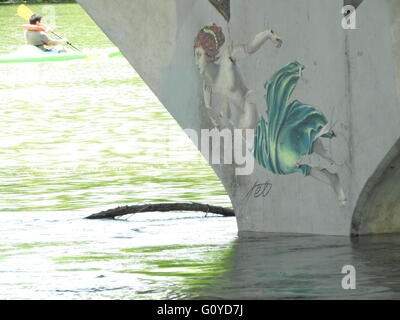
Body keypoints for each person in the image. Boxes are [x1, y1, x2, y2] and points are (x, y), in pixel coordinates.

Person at [194, 24, 347, 205]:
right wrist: (218, 118)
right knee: (285, 164)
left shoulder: (228, 59)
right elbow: (221, 119)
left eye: (199, 55)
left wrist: (268, 35)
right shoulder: (209, 88)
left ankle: (331, 167)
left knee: (290, 154)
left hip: (260, 125)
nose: (196, 62)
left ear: (210, 53)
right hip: (251, 140)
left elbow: (249, 48)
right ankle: (331, 177)